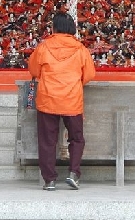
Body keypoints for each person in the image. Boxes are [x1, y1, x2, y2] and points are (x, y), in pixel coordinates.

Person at [28, 11, 96, 191]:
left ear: (54, 27)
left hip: (48, 99)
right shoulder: (80, 49)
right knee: (77, 138)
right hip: (72, 100)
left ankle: (49, 180)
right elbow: (89, 74)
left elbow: (34, 70)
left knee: (47, 141)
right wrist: (74, 82)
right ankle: (74, 173)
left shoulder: (44, 47)